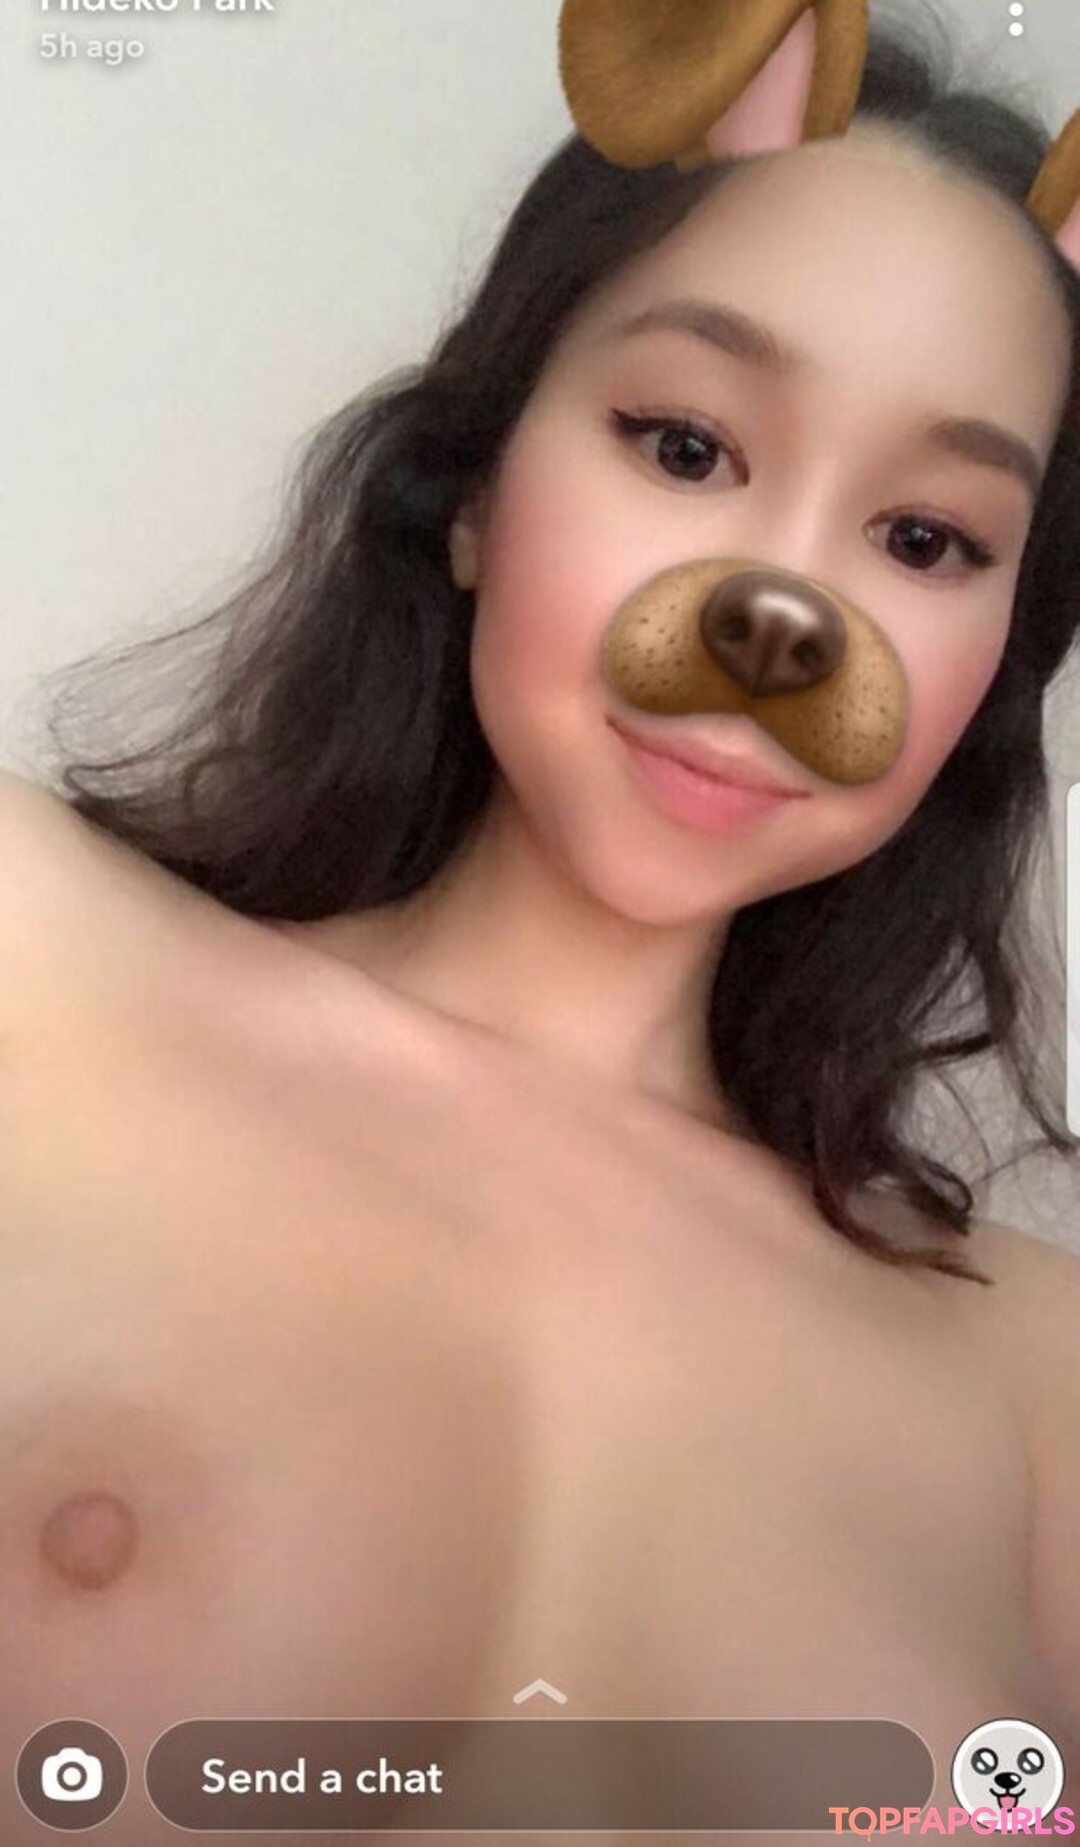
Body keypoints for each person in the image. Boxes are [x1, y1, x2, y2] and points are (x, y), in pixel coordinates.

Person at [2, 2, 1079, 1841]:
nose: (783, 613)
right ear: (479, 491)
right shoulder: (36, 973)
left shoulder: (1039, 1374)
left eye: (925, 541)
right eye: (687, 445)